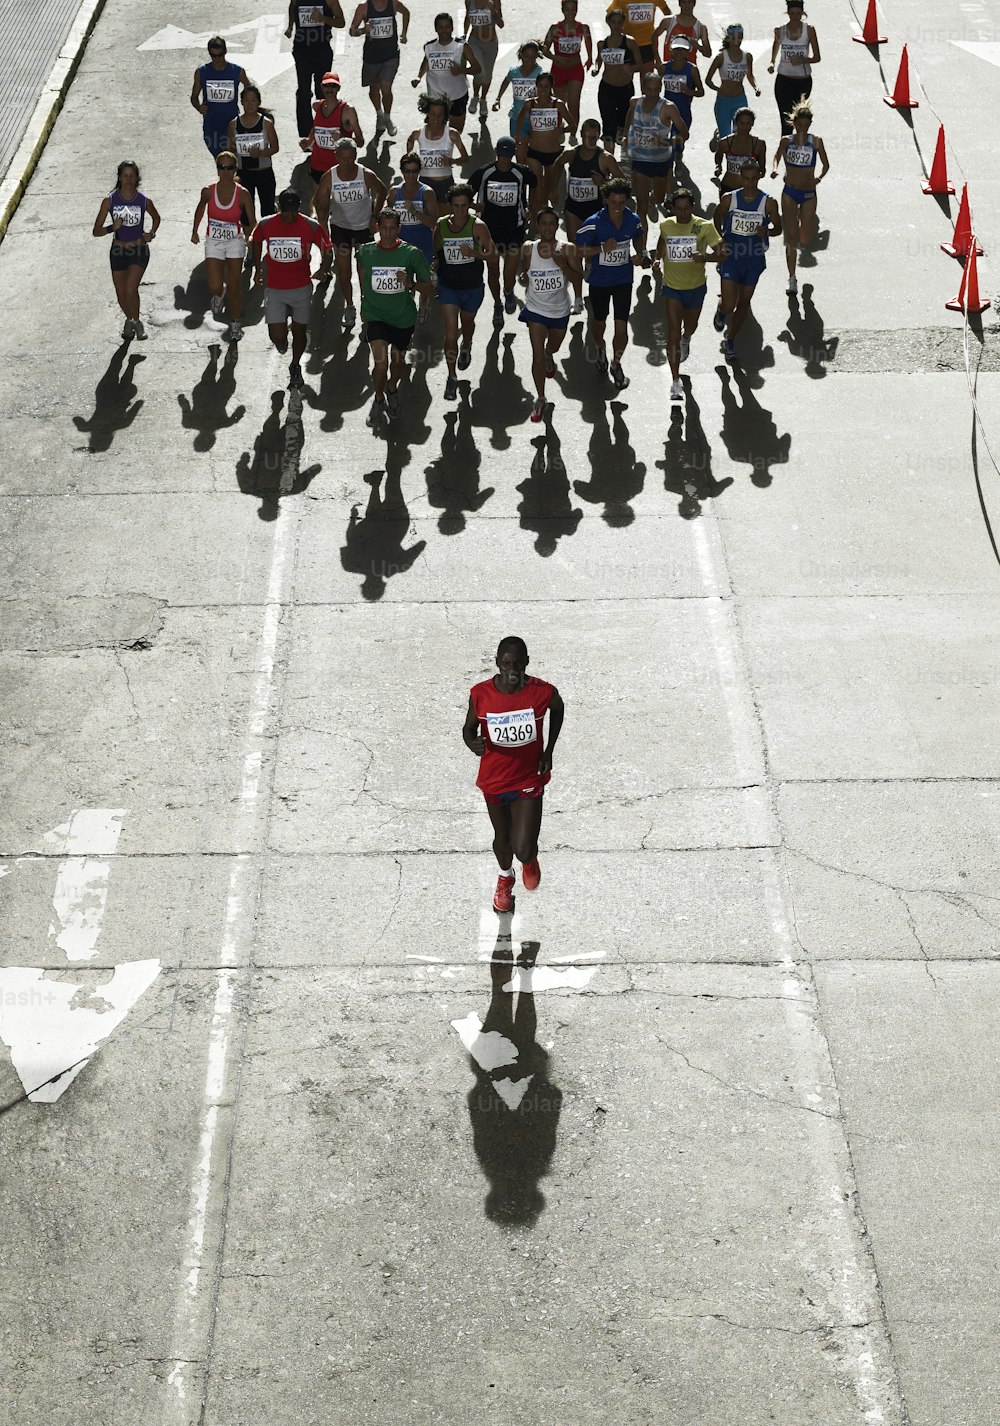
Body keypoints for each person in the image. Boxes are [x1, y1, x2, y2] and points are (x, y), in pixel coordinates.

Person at [463, 637, 564, 913]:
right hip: (494, 781)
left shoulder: (541, 692)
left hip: (529, 779)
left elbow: (559, 707)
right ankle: (505, 878)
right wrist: (472, 743)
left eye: (518, 662)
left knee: (523, 847)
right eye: (507, 663)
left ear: (527, 662)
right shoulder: (480, 695)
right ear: (496, 663)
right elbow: (468, 729)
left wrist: (549, 750)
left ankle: (529, 860)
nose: (513, 668)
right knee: (502, 838)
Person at [357, 209, 435, 422]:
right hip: (376, 316)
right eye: (384, 228)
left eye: (393, 228)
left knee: (397, 363)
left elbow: (430, 288)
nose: (388, 233)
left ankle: (392, 387)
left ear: (399, 229)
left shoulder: (412, 253)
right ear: (378, 228)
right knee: (380, 364)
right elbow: (362, 276)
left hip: (402, 318)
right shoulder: (366, 252)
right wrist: (364, 305)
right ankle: (379, 397)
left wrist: (410, 284)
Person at [250, 188, 333, 388]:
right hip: (275, 289)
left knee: (299, 331)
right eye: (286, 211)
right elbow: (256, 240)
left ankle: (295, 365)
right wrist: (257, 269)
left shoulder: (310, 226)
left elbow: (327, 248)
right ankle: (281, 340)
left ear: (299, 208)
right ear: (279, 208)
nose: (289, 215)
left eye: (293, 211)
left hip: (301, 288)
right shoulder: (266, 224)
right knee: (276, 336)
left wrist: (324, 268)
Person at [574, 175, 647, 388]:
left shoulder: (632, 219)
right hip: (599, 282)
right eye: (613, 202)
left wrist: (640, 253)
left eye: (622, 202)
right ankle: (599, 347)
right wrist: (601, 249)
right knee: (599, 323)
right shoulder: (593, 224)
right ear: (606, 199)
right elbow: (577, 250)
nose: (617, 206)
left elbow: (638, 234)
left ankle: (616, 363)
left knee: (621, 326)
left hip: (624, 280)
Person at [653, 185, 725, 400]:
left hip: (695, 288)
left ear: (692, 207)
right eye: (678, 209)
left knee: (690, 327)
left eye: (686, 209)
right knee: (672, 333)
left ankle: (687, 338)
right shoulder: (666, 225)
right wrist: (657, 259)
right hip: (672, 288)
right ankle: (675, 381)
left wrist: (705, 258)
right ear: (672, 209)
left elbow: (722, 253)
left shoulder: (704, 227)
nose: (682, 213)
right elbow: (662, 244)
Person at [314, 137, 388, 324]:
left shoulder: (366, 174)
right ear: (336, 156)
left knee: (365, 271)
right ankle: (349, 306)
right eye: (343, 158)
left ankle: (367, 305)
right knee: (344, 272)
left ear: (356, 155)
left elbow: (382, 191)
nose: (347, 163)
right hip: (341, 230)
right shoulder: (329, 177)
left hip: (364, 230)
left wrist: (375, 217)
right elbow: (319, 201)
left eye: (350, 158)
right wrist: (322, 221)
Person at [435, 182, 497, 399]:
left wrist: (474, 252)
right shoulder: (441, 225)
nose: (460, 211)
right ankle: (451, 377)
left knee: (467, 324)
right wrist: (435, 264)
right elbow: (437, 251)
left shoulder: (478, 226)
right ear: (450, 205)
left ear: (470, 205)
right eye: (456, 206)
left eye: (464, 206)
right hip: (448, 286)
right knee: (450, 334)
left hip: (472, 287)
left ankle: (468, 344)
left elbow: (493, 255)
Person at [713, 159, 781, 358]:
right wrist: (719, 240)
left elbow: (779, 228)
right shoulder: (729, 199)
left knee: (743, 303)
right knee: (729, 304)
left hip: (754, 260)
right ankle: (722, 309)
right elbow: (716, 216)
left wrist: (766, 230)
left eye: (754, 179)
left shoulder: (768, 202)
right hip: (732, 257)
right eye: (746, 179)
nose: (750, 183)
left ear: (759, 176)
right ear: (740, 178)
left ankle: (731, 339)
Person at [517, 207, 578, 420]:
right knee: (536, 354)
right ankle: (540, 397)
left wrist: (561, 264)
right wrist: (523, 279)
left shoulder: (567, 249)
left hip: (560, 310)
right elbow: (525, 275)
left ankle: (550, 353)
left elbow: (578, 278)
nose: (548, 227)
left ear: (557, 225)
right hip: (535, 308)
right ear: (537, 225)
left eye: (552, 223)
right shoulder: (528, 248)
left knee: (553, 346)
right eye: (544, 223)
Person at [469, 137, 537, 326]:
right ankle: (497, 304)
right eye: (501, 156)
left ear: (513, 153)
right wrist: (475, 205)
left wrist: (532, 206)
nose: (505, 160)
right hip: (488, 231)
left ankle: (508, 292)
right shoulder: (484, 173)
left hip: (514, 229)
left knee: (509, 276)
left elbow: (536, 182)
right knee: (493, 272)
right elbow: (464, 192)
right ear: (496, 152)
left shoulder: (520, 173)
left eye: (508, 156)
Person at [92, 160, 161, 341]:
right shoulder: (110, 200)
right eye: (125, 176)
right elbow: (96, 231)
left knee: (131, 289)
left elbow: (157, 217)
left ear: (137, 178)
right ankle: (129, 319)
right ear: (120, 178)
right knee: (121, 294)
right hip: (118, 251)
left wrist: (151, 233)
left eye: (132, 176)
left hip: (139, 249)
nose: (129, 180)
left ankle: (137, 322)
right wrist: (111, 228)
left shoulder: (144, 200)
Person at [192, 151, 257, 342]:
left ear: (235, 169)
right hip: (214, 240)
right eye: (222, 167)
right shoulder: (208, 191)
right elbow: (200, 208)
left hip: (235, 242)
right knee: (214, 285)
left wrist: (251, 237)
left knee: (235, 287)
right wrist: (194, 230)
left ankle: (235, 323)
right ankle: (218, 295)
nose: (226, 171)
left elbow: (252, 221)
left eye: (230, 168)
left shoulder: (243, 194)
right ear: (217, 169)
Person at [555, 118, 622, 296]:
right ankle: (577, 295)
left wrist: (604, 182)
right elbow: (558, 164)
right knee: (574, 249)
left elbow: (623, 184)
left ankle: (591, 267)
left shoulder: (605, 158)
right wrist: (553, 190)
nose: (591, 141)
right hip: (573, 209)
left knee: (590, 250)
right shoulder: (571, 154)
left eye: (595, 137)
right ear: (581, 135)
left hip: (595, 212)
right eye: (588, 137)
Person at [770, 98, 827, 294]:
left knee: (805, 238)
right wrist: (775, 170)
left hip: (809, 193)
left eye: (806, 125)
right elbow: (776, 157)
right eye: (799, 125)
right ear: (793, 124)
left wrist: (818, 178)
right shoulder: (786, 141)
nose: (802, 128)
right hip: (790, 192)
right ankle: (792, 278)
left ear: (810, 124)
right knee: (791, 238)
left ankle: (803, 233)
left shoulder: (816, 141)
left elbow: (826, 165)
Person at [624, 72, 687, 244]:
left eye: (656, 90)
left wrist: (667, 140)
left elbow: (684, 133)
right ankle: (642, 248)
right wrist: (625, 136)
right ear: (643, 88)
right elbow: (629, 117)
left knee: (659, 199)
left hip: (661, 162)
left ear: (661, 89)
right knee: (641, 207)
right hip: (640, 160)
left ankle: (654, 198)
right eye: (649, 90)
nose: (652, 94)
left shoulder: (668, 107)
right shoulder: (634, 102)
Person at [386, 155, 440, 323]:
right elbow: (387, 216)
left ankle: (423, 306)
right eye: (407, 171)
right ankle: (406, 311)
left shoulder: (427, 193)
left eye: (414, 171)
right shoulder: (395, 192)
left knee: (424, 282)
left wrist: (415, 212)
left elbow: (434, 223)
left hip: (424, 245)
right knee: (403, 281)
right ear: (402, 171)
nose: (411, 175)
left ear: (419, 171)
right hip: (402, 247)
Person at [412, 13, 481, 134]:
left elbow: (477, 68)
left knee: (455, 131)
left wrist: (461, 70)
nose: (444, 30)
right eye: (441, 27)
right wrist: (418, 77)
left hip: (457, 95)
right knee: (436, 130)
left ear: (452, 28)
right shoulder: (429, 47)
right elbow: (426, 62)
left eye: (447, 27)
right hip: (435, 97)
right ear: (436, 29)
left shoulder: (462, 46)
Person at [286, 0, 345, 140]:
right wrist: (290, 27)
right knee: (303, 92)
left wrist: (323, 18)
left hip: (321, 51)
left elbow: (341, 22)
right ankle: (306, 134)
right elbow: (292, 7)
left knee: (322, 92)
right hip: (301, 51)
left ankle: (323, 129)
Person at [516, 72, 572, 214]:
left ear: (551, 87)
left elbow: (573, 125)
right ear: (536, 86)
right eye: (540, 86)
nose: (543, 90)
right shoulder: (529, 104)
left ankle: (542, 214)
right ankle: (533, 215)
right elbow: (519, 122)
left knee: (548, 188)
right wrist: (520, 139)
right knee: (538, 185)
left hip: (553, 154)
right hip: (534, 152)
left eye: (546, 86)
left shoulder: (558, 105)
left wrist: (561, 131)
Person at [350, 0, 410, 136]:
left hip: (391, 56)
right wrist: (362, 30)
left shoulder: (393, 3)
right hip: (372, 57)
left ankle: (387, 118)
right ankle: (379, 114)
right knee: (374, 90)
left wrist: (404, 33)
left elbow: (406, 12)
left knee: (386, 87)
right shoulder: (363, 8)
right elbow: (352, 31)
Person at [300, 73, 364, 188]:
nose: (329, 89)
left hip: (339, 167)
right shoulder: (316, 106)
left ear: (338, 88)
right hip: (317, 165)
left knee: (338, 205)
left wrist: (343, 140)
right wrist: (309, 141)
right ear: (321, 87)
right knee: (319, 202)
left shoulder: (347, 110)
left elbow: (360, 142)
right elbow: (316, 127)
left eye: (333, 86)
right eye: (326, 86)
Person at [592, 10, 642, 157]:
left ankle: (623, 154)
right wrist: (595, 69)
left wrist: (631, 68)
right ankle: (609, 162)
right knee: (608, 126)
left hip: (625, 90)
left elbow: (640, 64)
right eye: (613, 22)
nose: (616, 25)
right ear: (608, 23)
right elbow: (598, 60)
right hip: (606, 88)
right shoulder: (602, 43)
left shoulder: (630, 42)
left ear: (623, 24)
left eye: (619, 22)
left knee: (623, 125)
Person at [406, 95, 470, 208]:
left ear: (445, 116)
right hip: (424, 182)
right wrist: (411, 155)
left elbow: (465, 158)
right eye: (433, 114)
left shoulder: (452, 134)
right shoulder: (417, 134)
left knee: (446, 218)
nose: (436, 118)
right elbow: (408, 156)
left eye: (440, 115)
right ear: (427, 114)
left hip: (445, 184)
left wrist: (451, 161)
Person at [542, 0, 593, 140]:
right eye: (567, 10)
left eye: (573, 9)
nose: (570, 13)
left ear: (577, 10)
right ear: (562, 10)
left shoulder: (583, 28)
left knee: (574, 102)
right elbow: (544, 49)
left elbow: (589, 43)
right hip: (558, 71)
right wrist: (554, 57)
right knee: (559, 103)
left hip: (575, 70)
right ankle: (559, 129)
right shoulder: (554, 28)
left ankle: (573, 133)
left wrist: (590, 58)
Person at [768, 0, 819, 135]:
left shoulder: (809, 30)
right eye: (791, 14)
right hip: (783, 80)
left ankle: (800, 151)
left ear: (803, 13)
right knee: (786, 122)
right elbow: (776, 47)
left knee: (801, 122)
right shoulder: (780, 31)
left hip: (803, 81)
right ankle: (785, 154)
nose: (795, 17)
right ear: (787, 13)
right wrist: (772, 63)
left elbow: (817, 57)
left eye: (798, 14)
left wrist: (803, 60)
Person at [191, 38, 248, 157]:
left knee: (231, 158)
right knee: (219, 159)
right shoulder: (202, 72)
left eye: (220, 55)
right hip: (212, 125)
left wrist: (247, 107)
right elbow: (194, 97)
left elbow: (250, 89)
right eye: (213, 55)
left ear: (225, 51)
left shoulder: (237, 71)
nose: (217, 59)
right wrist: (199, 107)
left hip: (231, 123)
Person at [228, 87, 280, 218]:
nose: (249, 104)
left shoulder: (266, 124)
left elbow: (275, 147)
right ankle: (249, 237)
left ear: (259, 102)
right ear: (241, 102)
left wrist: (261, 153)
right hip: (244, 174)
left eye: (253, 101)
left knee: (268, 211)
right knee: (245, 212)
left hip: (264, 172)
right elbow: (230, 150)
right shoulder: (233, 125)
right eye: (246, 101)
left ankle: (267, 237)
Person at [705, 23, 759, 139]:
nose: (737, 40)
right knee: (726, 137)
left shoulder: (747, 57)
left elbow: (750, 75)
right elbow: (708, 80)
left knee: (740, 134)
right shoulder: (721, 58)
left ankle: (738, 157)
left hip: (740, 99)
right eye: (733, 37)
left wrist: (756, 87)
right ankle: (719, 137)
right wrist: (718, 89)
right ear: (728, 38)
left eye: (740, 37)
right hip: (723, 101)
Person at [659, 36, 703, 167]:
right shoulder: (663, 67)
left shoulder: (692, 69)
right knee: (669, 140)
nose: (679, 53)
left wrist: (689, 92)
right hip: (666, 111)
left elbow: (701, 91)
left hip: (683, 111)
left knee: (678, 141)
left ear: (688, 52)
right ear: (671, 51)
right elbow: (653, 84)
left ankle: (678, 159)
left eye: (682, 50)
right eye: (676, 49)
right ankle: (669, 169)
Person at [493, 41, 543, 138]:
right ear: (521, 55)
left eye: (533, 57)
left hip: (536, 118)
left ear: (537, 56)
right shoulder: (514, 72)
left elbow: (549, 94)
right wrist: (498, 99)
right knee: (518, 147)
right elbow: (506, 81)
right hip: (516, 117)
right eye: (526, 56)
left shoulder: (541, 74)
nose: (529, 60)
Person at [610, 0, 670, 78]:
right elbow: (610, 16)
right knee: (625, 82)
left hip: (648, 45)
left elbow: (668, 14)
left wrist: (662, 30)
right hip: (628, 45)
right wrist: (620, 31)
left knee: (647, 84)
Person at [466, 0, 504, 121]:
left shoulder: (495, 2)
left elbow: (501, 24)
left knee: (487, 75)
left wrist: (494, 11)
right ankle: (475, 96)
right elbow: (467, 18)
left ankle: (483, 99)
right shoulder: (469, 1)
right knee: (479, 71)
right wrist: (463, 34)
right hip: (474, 42)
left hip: (491, 44)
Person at [713, 105, 765, 192]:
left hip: (748, 191)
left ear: (752, 124)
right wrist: (718, 167)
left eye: (748, 123)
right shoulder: (725, 143)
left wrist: (754, 175)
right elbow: (718, 157)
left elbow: (762, 170)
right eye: (742, 123)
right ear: (736, 123)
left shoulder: (759, 144)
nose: (745, 127)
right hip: (728, 188)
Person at [656, 0, 711, 66]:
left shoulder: (701, 27)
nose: (686, 5)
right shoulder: (668, 21)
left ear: (694, 4)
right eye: (683, 2)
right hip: (669, 70)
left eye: (689, 2)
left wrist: (699, 47)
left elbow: (708, 54)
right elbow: (653, 37)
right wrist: (658, 60)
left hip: (689, 72)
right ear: (679, 4)